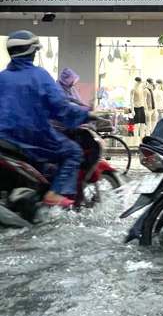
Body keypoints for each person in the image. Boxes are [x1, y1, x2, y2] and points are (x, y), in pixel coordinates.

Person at [0, 31, 97, 207]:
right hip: (34, 136)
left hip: (4, 138)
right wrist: (86, 115)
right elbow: (60, 108)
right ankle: (54, 193)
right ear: (31, 52)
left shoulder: (2, 77)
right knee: (73, 151)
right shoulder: (39, 75)